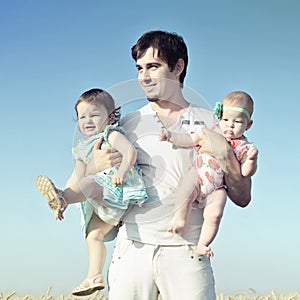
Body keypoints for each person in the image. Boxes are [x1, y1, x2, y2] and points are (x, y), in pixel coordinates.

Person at [87, 30, 252, 300]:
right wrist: (96, 166)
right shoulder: (126, 124)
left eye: (153, 66)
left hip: (187, 251)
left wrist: (224, 154)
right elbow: (100, 180)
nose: (144, 77)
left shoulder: (213, 123)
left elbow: (243, 197)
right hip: (132, 248)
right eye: (139, 68)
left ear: (178, 67)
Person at [35, 88, 147, 296]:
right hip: (99, 201)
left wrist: (122, 171)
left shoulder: (110, 134)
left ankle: (61, 197)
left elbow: (129, 152)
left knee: (88, 184)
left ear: (111, 116)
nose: (87, 120)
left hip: (116, 191)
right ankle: (94, 276)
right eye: (82, 117)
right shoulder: (80, 149)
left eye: (94, 115)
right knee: (93, 235)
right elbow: (76, 177)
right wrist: (65, 201)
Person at [159, 90, 258, 258]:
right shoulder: (210, 131)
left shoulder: (243, 146)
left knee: (215, 215)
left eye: (237, 122)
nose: (230, 125)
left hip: (218, 186)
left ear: (248, 125)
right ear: (219, 118)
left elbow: (244, 173)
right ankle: (181, 221)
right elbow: (189, 139)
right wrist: (171, 136)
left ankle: (202, 244)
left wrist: (251, 160)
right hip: (198, 174)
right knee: (184, 192)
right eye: (226, 120)